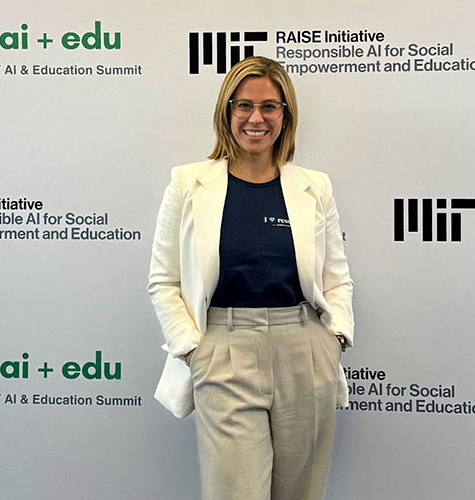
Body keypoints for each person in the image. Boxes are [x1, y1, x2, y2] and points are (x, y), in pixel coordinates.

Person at [148, 56, 354, 500]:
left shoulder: (314, 186)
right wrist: (191, 348)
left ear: (286, 115)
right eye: (243, 106)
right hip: (224, 350)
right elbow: (163, 281)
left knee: (300, 492)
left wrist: (333, 338)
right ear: (226, 113)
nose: (256, 118)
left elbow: (336, 276)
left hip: (304, 349)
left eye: (269, 107)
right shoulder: (187, 183)